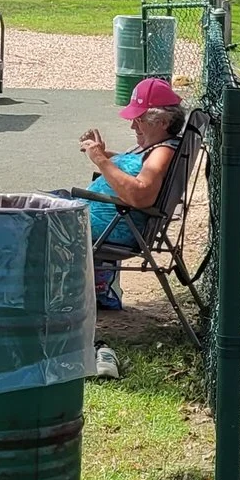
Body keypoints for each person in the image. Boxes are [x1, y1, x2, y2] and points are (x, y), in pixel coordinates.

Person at [77, 77, 185, 312]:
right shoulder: (160, 146)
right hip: (103, 222)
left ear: (163, 122)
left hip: (112, 228)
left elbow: (140, 195)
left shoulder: (163, 151)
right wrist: (105, 154)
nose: (133, 127)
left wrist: (101, 160)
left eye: (139, 120)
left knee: (25, 217)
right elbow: (138, 169)